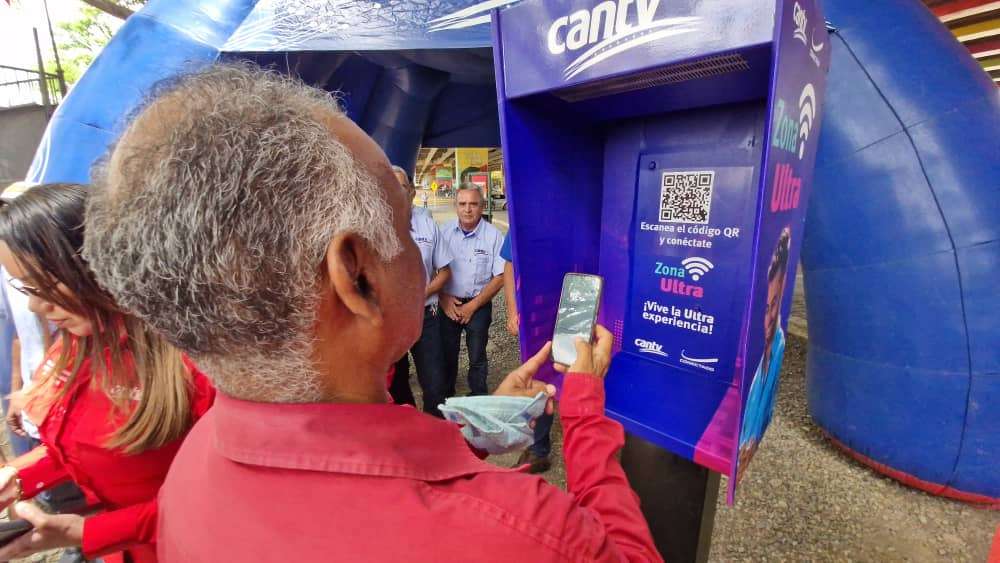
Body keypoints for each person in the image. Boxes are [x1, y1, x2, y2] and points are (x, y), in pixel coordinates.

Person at [83, 64, 661, 562]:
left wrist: (477, 425)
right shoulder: (516, 531)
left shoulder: (195, 459)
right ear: (356, 277)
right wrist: (584, 405)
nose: (419, 248)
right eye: (404, 222)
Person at [0, 184, 215, 563]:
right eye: (25, 289)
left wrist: (89, 533)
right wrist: (16, 479)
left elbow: (225, 500)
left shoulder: (197, 363)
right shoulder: (75, 341)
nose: (36, 306)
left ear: (98, 265)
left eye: (46, 286)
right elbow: (78, 447)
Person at [389, 165, 453, 414]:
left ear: (412, 192)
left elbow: (445, 271)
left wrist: (420, 293)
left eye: (401, 187)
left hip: (425, 316)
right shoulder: (374, 227)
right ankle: (408, 427)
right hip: (391, 320)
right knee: (396, 382)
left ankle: (435, 433)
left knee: (435, 383)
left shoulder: (428, 226)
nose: (395, 191)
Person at [439, 184, 505, 397]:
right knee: (447, 354)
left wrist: (473, 306)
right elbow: (429, 269)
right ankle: (446, 398)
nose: (468, 209)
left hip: (478, 305)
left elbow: (501, 276)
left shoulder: (494, 236)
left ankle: (478, 397)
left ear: (482, 206)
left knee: (477, 356)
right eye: (463, 204)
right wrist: (443, 298)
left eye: (474, 204)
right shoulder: (443, 233)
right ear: (455, 206)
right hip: (449, 305)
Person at [737, 227, 791, 479]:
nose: (769, 318)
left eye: (775, 305)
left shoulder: (774, 350)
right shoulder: (762, 359)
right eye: (766, 307)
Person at [501, 232, 554, 473]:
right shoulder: (525, 212)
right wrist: (513, 310)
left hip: (575, 300)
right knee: (537, 373)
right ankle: (538, 447)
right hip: (537, 310)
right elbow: (510, 266)